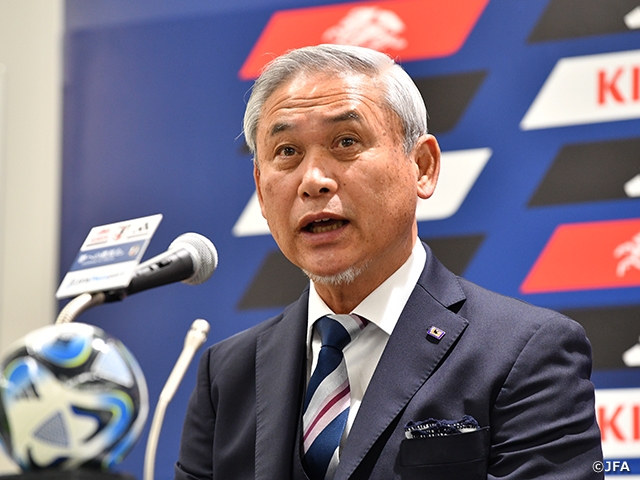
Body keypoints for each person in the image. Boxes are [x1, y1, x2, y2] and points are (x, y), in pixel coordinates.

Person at [175, 44, 603, 479]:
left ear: (422, 166)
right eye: (286, 151)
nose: (313, 181)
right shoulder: (227, 372)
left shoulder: (526, 352)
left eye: (346, 142)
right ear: (261, 191)